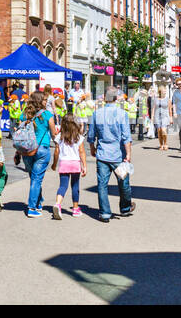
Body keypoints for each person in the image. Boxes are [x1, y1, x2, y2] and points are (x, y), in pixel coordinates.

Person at [87, 87, 135, 222]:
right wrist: (129, 153)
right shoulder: (122, 114)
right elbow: (126, 136)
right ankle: (125, 208)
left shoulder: (97, 113)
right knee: (123, 182)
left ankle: (105, 213)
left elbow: (91, 134)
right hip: (117, 154)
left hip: (102, 153)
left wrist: (92, 147)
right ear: (115, 98)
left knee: (102, 184)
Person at [17, 91, 58, 218]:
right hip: (41, 149)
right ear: (40, 101)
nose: (47, 102)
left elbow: (20, 136)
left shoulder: (24, 114)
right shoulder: (47, 115)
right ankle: (32, 207)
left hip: (27, 150)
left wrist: (17, 153)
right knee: (36, 179)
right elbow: (53, 134)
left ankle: (39, 202)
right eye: (45, 100)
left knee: (34, 178)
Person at [52, 114, 88, 219]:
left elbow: (56, 152)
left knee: (63, 186)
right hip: (75, 164)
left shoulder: (60, 136)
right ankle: (75, 209)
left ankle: (57, 204)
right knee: (75, 186)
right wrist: (84, 166)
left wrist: (54, 164)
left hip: (64, 163)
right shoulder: (79, 137)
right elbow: (81, 152)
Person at [152, 85, 171, 150]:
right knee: (159, 131)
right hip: (157, 117)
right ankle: (161, 145)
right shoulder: (155, 99)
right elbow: (153, 108)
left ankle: (165, 143)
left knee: (164, 131)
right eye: (164, 91)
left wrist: (171, 118)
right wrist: (152, 118)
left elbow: (169, 109)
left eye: (165, 91)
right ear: (160, 91)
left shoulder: (167, 99)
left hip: (165, 117)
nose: (165, 92)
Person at [171, 81, 181, 151]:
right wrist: (174, 112)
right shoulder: (176, 92)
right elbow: (173, 103)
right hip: (178, 112)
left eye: (180, 84)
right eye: (177, 84)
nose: (179, 85)